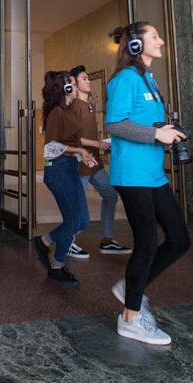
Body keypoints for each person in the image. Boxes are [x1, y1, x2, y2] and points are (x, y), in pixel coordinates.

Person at [104, 22, 191, 345]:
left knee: (180, 239)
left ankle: (131, 287)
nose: (162, 40)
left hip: (153, 173)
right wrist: (156, 134)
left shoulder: (148, 79)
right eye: (155, 36)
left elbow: (141, 121)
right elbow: (114, 123)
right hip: (132, 174)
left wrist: (165, 130)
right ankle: (130, 318)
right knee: (145, 242)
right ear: (136, 45)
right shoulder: (125, 79)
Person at [34, 71, 98, 286]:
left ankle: (44, 241)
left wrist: (83, 152)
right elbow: (50, 147)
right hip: (58, 171)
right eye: (71, 83)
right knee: (72, 221)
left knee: (83, 221)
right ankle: (57, 266)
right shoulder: (56, 113)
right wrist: (78, 151)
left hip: (70, 168)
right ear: (65, 88)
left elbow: (71, 138)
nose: (75, 86)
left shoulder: (69, 111)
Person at [68, 65, 131, 256]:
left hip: (94, 162)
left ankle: (107, 239)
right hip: (81, 162)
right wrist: (97, 143)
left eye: (88, 78)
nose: (88, 81)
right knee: (76, 203)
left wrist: (101, 144)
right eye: (84, 79)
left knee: (110, 195)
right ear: (75, 84)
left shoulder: (91, 105)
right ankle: (68, 240)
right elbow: (72, 138)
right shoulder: (73, 107)